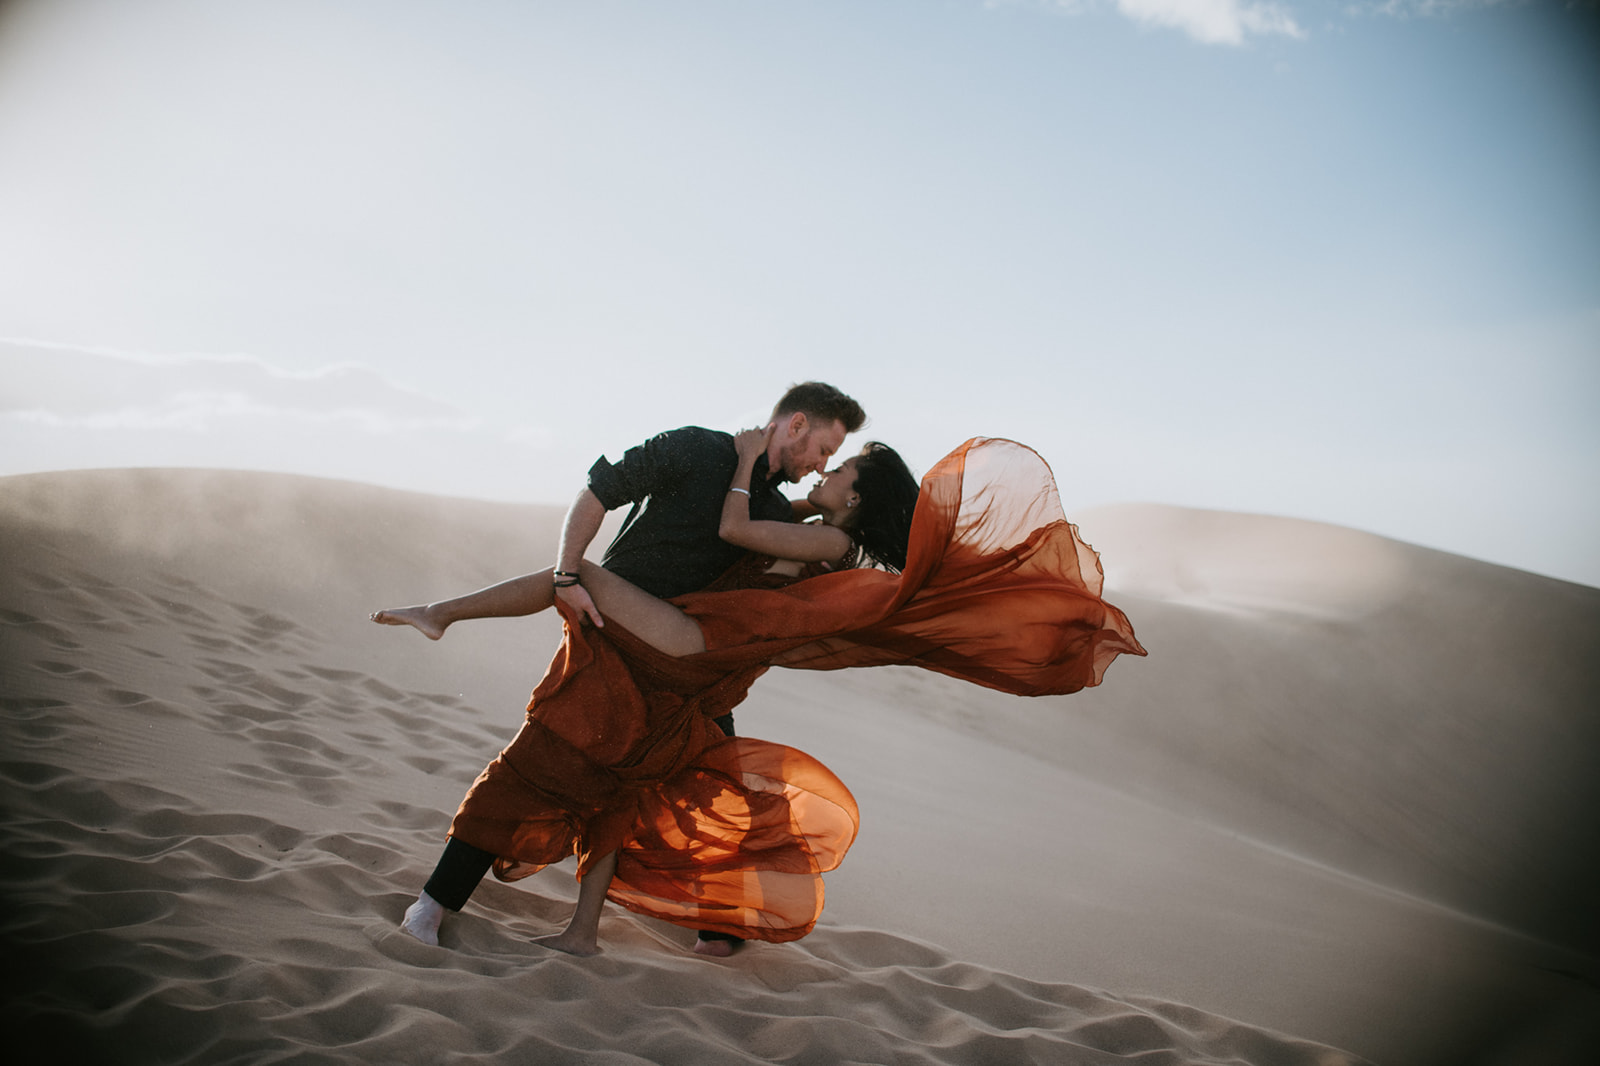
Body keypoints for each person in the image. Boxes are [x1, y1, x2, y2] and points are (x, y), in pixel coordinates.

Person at [386, 434, 1146, 957]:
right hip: (706, 663)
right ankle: (591, 932)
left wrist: (750, 457)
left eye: (837, 469)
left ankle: (443, 613)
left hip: (695, 646)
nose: (823, 474)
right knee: (624, 780)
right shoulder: (828, 539)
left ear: (856, 493)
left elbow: (733, 524)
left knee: (577, 577)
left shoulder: (831, 544)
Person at [382, 381, 870, 956]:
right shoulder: (693, 448)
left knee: (713, 788)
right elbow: (598, 491)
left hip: (680, 673)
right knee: (532, 765)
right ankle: (434, 904)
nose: (820, 466)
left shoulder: (763, 507)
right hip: (609, 643)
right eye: (823, 450)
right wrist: (566, 575)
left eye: (832, 461)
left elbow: (777, 543)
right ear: (795, 425)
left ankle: (718, 927)